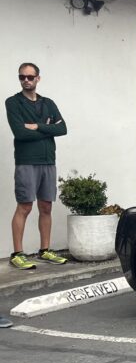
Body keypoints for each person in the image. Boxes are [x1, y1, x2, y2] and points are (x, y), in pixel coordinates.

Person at [5, 62, 68, 270]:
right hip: (27, 161)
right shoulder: (13, 103)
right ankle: (17, 254)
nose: (26, 81)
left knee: (46, 206)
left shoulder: (48, 103)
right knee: (24, 206)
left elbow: (63, 129)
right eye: (22, 77)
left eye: (30, 77)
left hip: (48, 160)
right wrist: (49, 128)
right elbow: (20, 133)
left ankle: (45, 250)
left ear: (38, 78)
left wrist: (38, 126)